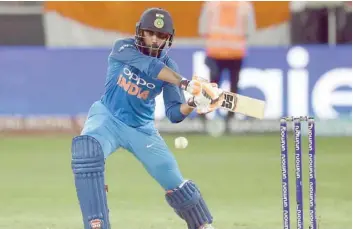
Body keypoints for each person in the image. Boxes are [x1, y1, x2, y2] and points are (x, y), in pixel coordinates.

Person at [71, 7, 223, 229]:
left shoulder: (171, 68)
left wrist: (192, 103)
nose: (154, 39)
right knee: (87, 152)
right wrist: (188, 84)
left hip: (142, 130)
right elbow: (151, 67)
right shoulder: (123, 48)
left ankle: (203, 225)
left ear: (167, 39)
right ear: (139, 32)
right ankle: (96, 225)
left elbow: (173, 114)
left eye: (161, 36)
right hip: (107, 119)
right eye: (150, 32)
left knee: (176, 183)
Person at [198, 1, 256, 128]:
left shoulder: (211, 3)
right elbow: (250, 30)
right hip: (236, 51)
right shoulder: (244, 5)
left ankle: (203, 115)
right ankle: (230, 118)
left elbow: (202, 28)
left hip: (215, 50)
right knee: (234, 85)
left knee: (213, 84)